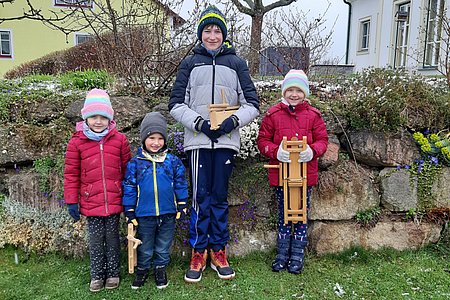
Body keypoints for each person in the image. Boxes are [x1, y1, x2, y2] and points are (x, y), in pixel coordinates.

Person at [168, 5, 259, 283]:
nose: (212, 35)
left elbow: (252, 104)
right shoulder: (190, 63)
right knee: (199, 198)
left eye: (217, 30)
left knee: (219, 197)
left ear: (224, 34)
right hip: (198, 141)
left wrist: (232, 122)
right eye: (207, 30)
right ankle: (198, 251)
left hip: (226, 143)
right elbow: (175, 104)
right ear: (200, 34)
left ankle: (218, 250)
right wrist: (200, 124)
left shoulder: (237, 64)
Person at [257, 70, 328, 274]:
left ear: (305, 93)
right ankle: (282, 254)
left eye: (298, 90)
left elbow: (323, 141)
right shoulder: (273, 114)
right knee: (284, 214)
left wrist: (312, 151)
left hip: (305, 176)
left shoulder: (313, 116)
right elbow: (262, 141)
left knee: (301, 215)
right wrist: (275, 151)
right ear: (284, 91)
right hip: (282, 176)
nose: (294, 94)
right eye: (290, 90)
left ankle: (297, 254)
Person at [64, 88, 131, 292]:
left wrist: (129, 197)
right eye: (94, 116)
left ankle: (112, 274)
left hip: (113, 199)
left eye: (103, 117)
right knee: (95, 240)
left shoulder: (119, 140)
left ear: (109, 118)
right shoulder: (76, 142)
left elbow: (128, 171)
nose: (98, 121)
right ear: (86, 117)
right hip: (90, 201)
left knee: (112, 238)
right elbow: (71, 174)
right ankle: (96, 275)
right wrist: (71, 201)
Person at [122, 112, 189, 290]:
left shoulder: (172, 161)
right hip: (144, 214)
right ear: (144, 138)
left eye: (160, 138)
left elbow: (181, 183)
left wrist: (182, 204)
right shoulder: (136, 163)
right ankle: (142, 269)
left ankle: (160, 268)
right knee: (145, 245)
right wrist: (129, 210)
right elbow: (129, 187)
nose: (156, 142)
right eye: (151, 137)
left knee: (163, 244)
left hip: (168, 213)